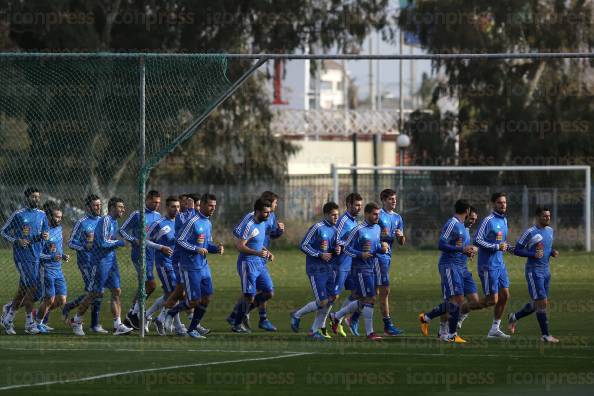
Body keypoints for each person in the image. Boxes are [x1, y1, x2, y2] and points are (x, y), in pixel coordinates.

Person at [69, 197, 132, 336]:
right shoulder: (105, 220)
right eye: (120, 207)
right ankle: (77, 320)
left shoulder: (114, 222)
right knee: (95, 293)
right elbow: (103, 243)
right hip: (100, 261)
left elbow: (110, 240)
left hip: (111, 260)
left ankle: (118, 325)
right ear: (112, 208)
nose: (123, 209)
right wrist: (120, 243)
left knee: (116, 290)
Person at [164, 194, 223, 338]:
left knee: (207, 297)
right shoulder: (193, 221)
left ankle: (192, 329)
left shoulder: (208, 223)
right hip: (189, 266)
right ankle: (171, 313)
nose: (213, 208)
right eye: (210, 205)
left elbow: (206, 244)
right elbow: (179, 240)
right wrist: (196, 249)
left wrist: (216, 249)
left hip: (203, 266)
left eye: (214, 206)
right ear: (201, 205)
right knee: (194, 301)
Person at [418, 199, 477, 343]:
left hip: (462, 268)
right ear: (467, 211)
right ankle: (451, 334)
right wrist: (461, 249)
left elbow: (460, 247)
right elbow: (441, 244)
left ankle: (427, 317)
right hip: (449, 266)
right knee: (456, 300)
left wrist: (468, 252)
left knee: (474, 300)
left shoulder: (464, 227)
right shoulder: (452, 223)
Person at [330, 202, 388, 341]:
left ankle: (336, 316)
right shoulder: (358, 230)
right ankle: (370, 333)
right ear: (367, 214)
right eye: (374, 214)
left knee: (363, 299)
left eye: (378, 214)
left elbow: (375, 246)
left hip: (372, 266)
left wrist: (382, 247)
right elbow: (347, 248)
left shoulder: (377, 228)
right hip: (360, 269)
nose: (377, 217)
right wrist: (360, 254)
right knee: (371, 298)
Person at [227, 191, 284, 332]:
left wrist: (266, 251)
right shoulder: (250, 223)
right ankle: (237, 322)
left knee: (268, 292)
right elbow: (239, 245)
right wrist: (257, 252)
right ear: (258, 211)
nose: (269, 215)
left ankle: (237, 315)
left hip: (260, 262)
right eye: (266, 212)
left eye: (270, 212)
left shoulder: (264, 222)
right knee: (249, 296)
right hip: (248, 263)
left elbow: (261, 240)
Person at [1, 187, 49, 335]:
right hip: (22, 257)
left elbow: (45, 231)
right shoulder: (19, 214)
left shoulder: (42, 214)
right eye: (33, 197)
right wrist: (17, 240)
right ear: (27, 198)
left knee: (22, 291)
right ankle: (29, 323)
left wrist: (45, 236)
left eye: (38, 197)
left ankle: (8, 319)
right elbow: (3, 231)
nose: (36, 199)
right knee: (33, 287)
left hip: (36, 256)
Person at [508, 207, 560, 343]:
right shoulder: (530, 232)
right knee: (542, 302)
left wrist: (552, 252)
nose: (548, 218)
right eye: (545, 216)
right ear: (538, 217)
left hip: (546, 271)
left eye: (549, 216)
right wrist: (532, 254)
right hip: (534, 271)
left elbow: (546, 249)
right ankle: (545, 335)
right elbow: (517, 250)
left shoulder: (550, 231)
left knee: (538, 303)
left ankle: (514, 317)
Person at [291, 202, 340, 340]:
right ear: (326, 215)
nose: (336, 217)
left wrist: (336, 250)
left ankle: (314, 330)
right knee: (323, 301)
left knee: (332, 298)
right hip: (316, 270)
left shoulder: (335, 230)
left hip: (329, 269)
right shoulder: (317, 228)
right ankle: (297, 315)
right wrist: (319, 254)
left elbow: (331, 249)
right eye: (333, 215)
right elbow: (303, 245)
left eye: (337, 215)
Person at [119, 190, 163, 330]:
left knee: (144, 285)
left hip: (152, 255)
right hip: (139, 255)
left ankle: (132, 315)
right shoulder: (137, 214)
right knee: (150, 284)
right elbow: (122, 230)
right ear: (147, 200)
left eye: (159, 203)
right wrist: (133, 239)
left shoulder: (158, 216)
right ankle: (134, 314)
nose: (157, 205)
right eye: (154, 202)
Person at [62, 194, 106, 333]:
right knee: (95, 291)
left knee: (97, 292)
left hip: (100, 262)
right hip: (86, 262)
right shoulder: (81, 222)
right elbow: (71, 242)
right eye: (95, 205)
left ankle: (73, 308)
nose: (98, 207)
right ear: (88, 207)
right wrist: (84, 247)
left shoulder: (103, 221)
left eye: (99, 204)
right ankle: (85, 323)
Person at [474, 192, 512, 339]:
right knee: (492, 300)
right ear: (493, 204)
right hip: (487, 265)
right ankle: (461, 311)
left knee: (505, 296)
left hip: (500, 264)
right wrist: (496, 247)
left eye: (504, 202)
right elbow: (477, 239)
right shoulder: (488, 220)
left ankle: (494, 329)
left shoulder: (504, 221)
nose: (503, 205)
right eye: (499, 202)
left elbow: (501, 243)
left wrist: (510, 248)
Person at [147, 196, 179, 335]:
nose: (176, 209)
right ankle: (162, 319)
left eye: (178, 207)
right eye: (173, 207)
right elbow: (145, 240)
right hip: (163, 263)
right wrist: (161, 247)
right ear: (167, 208)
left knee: (170, 294)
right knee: (174, 293)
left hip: (177, 263)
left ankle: (147, 315)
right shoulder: (159, 223)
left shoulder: (180, 223)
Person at [36, 203, 69, 333]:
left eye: (61, 217)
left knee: (61, 300)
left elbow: (57, 250)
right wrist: (51, 258)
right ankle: (37, 323)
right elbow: (38, 254)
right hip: (46, 269)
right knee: (49, 299)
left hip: (58, 269)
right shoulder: (43, 232)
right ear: (49, 216)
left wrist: (63, 256)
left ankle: (39, 315)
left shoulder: (59, 229)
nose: (59, 219)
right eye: (57, 217)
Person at [376, 189, 405, 336]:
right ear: (383, 200)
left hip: (387, 257)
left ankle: (343, 317)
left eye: (395, 199)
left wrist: (401, 237)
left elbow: (402, 242)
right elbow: (369, 234)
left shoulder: (398, 218)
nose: (394, 201)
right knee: (384, 290)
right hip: (378, 256)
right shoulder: (378, 215)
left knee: (371, 292)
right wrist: (380, 243)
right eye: (391, 199)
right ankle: (388, 325)